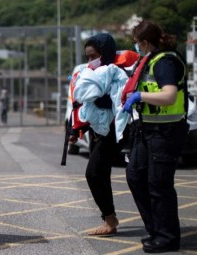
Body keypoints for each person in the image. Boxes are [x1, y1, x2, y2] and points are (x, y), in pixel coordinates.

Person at [123, 20, 188, 253]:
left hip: (166, 131)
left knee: (159, 185)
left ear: (145, 42)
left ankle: (167, 237)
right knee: (135, 175)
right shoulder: (150, 59)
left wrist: (139, 96)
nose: (136, 47)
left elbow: (169, 96)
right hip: (148, 129)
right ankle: (155, 228)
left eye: (137, 43)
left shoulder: (165, 62)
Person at [70, 33, 130, 237]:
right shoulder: (95, 74)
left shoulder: (116, 74)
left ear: (104, 54)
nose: (89, 61)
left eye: (93, 56)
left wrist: (98, 99)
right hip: (98, 132)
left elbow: (117, 104)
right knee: (101, 174)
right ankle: (109, 219)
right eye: (87, 57)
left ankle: (110, 219)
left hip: (113, 132)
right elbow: (89, 107)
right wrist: (78, 129)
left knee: (93, 173)